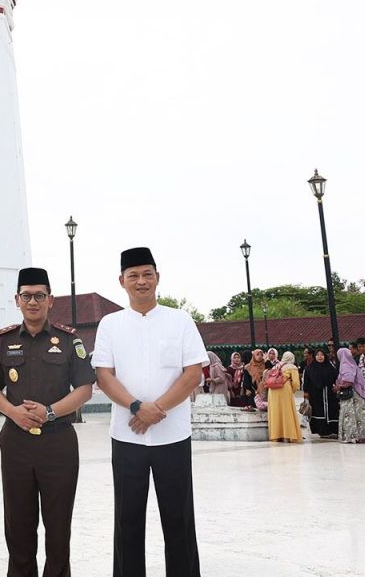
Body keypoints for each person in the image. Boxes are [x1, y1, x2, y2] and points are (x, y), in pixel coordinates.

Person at [92, 247, 207, 577]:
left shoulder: (180, 320)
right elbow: (104, 374)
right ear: (122, 281)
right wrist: (136, 407)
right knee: (127, 519)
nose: (141, 281)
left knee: (179, 518)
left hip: (173, 435)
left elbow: (192, 373)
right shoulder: (110, 324)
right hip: (126, 435)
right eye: (133, 275)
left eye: (147, 274)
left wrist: (157, 409)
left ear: (157, 277)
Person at [0, 267, 94, 577]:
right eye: (27, 296)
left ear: (50, 300)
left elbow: (85, 388)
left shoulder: (69, 341)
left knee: (58, 528)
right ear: (17, 299)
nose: (33, 302)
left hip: (58, 442)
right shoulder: (3, 341)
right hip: (16, 443)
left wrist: (51, 411)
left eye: (39, 296)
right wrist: (13, 412)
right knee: (18, 526)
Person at [335, 347, 365, 444]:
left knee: (349, 415)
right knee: (359, 415)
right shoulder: (352, 363)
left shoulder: (345, 364)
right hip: (359, 394)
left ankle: (351, 436)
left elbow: (348, 379)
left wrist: (339, 386)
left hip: (352, 395)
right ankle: (363, 435)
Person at [301, 348, 338, 438]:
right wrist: (306, 394)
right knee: (318, 412)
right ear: (315, 356)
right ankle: (322, 431)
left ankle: (332, 430)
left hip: (329, 395)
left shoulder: (330, 368)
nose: (320, 357)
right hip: (316, 395)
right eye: (318, 355)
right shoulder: (309, 369)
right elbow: (306, 382)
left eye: (322, 355)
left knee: (331, 411)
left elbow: (336, 379)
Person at [266, 351, 301, 443]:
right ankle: (288, 435)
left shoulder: (276, 366)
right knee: (286, 413)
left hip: (272, 391)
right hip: (284, 389)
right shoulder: (292, 367)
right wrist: (291, 390)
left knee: (275, 412)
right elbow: (296, 384)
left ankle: (275, 436)